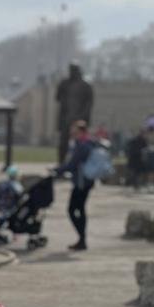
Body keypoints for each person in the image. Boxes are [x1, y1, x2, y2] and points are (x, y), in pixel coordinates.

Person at [56, 119, 97, 251]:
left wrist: (58, 170)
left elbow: (73, 164)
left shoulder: (82, 146)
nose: (72, 134)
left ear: (81, 131)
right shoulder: (88, 143)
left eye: (74, 131)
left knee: (72, 209)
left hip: (81, 182)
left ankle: (82, 238)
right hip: (87, 181)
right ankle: (82, 239)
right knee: (80, 209)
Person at [55, 63, 94, 165]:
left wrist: (82, 118)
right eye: (71, 70)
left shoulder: (86, 86)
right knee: (63, 143)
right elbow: (58, 98)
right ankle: (61, 164)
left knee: (80, 144)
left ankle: (78, 164)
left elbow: (89, 104)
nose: (72, 72)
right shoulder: (65, 84)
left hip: (79, 120)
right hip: (66, 118)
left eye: (74, 70)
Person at [125, 127, 150, 191]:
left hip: (137, 158)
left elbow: (146, 149)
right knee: (136, 172)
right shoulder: (138, 140)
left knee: (137, 172)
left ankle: (137, 184)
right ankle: (136, 184)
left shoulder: (140, 140)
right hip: (136, 158)